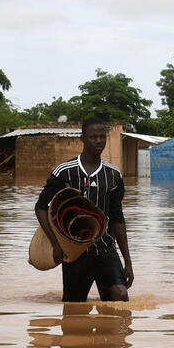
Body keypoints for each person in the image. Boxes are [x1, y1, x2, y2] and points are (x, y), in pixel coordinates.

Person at [34, 117, 133, 302]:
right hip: (74, 253)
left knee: (121, 296)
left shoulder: (113, 175)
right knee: (73, 308)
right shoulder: (64, 171)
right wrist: (55, 244)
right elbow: (40, 207)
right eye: (93, 137)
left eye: (102, 137)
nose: (98, 141)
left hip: (105, 250)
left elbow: (118, 219)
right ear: (82, 139)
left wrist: (128, 261)